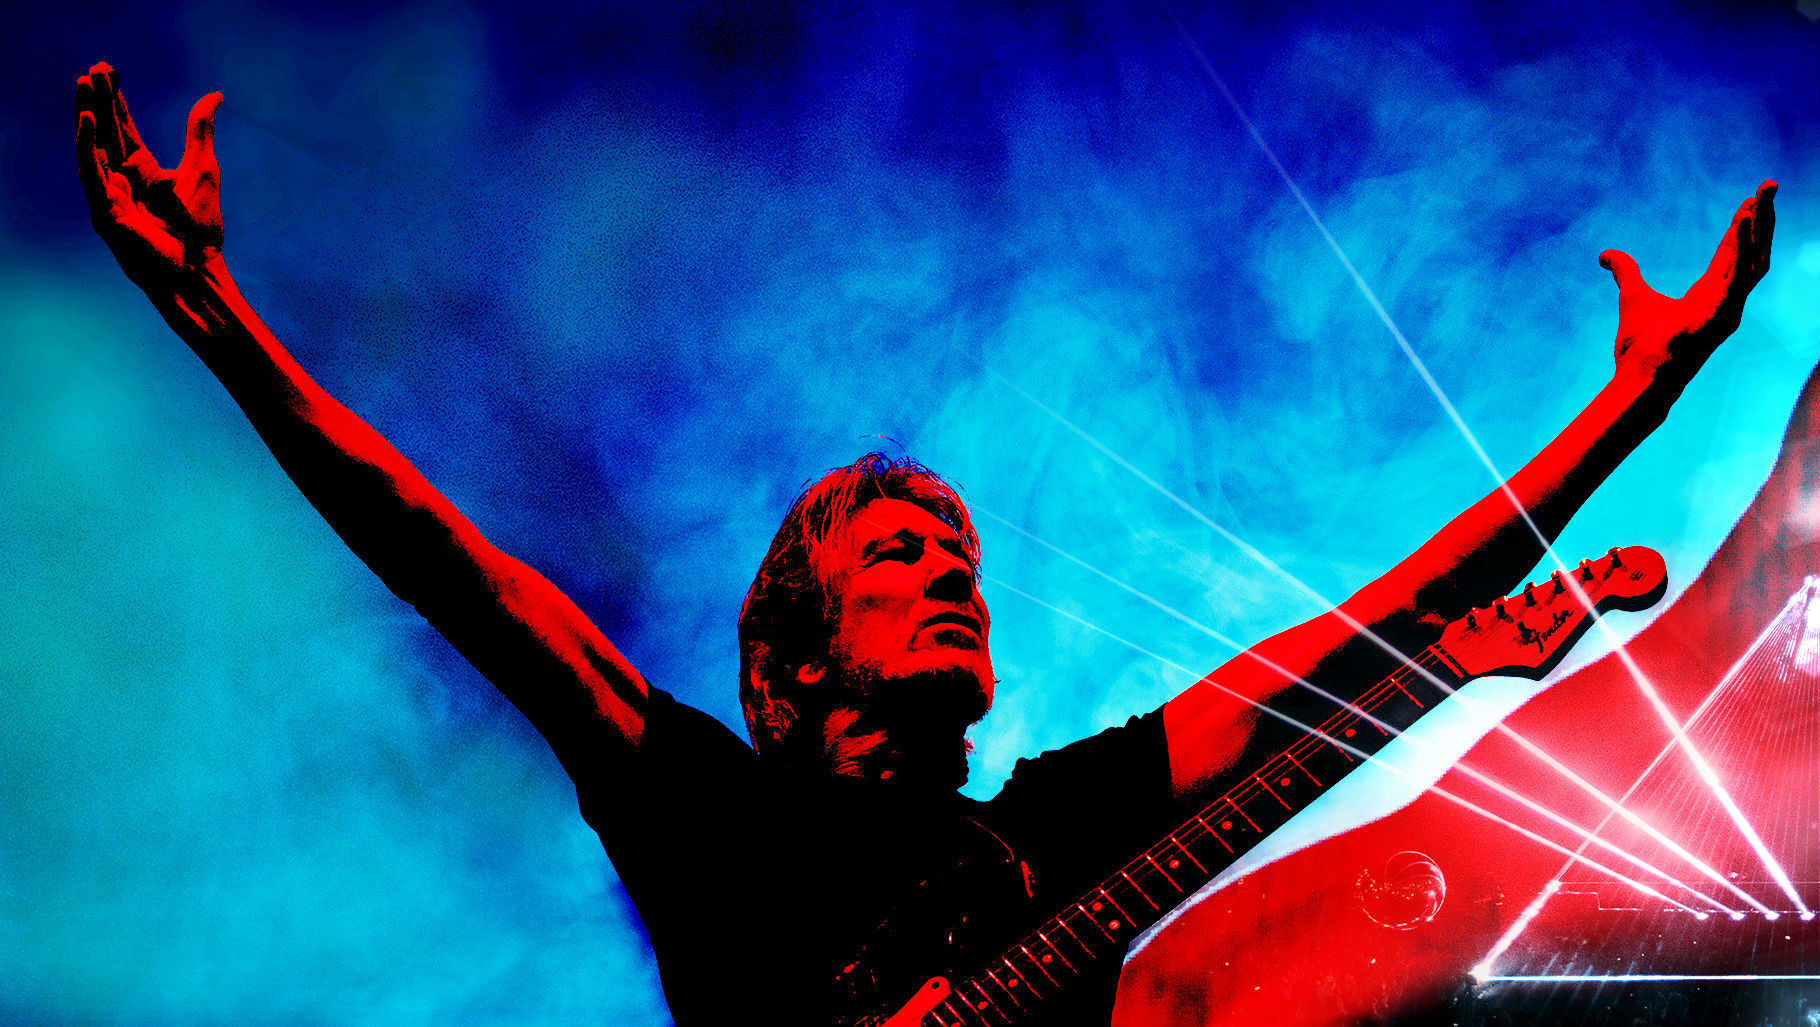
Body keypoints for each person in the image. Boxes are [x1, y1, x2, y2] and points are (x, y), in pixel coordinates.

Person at [72, 58, 1777, 1026]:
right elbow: (452, 566)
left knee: (1314, 923)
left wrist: (1629, 410)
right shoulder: (703, 803)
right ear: (789, 660)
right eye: (895, 560)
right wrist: (217, 319)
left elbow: (1351, 640)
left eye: (957, 559)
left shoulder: (1048, 828)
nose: (952, 575)